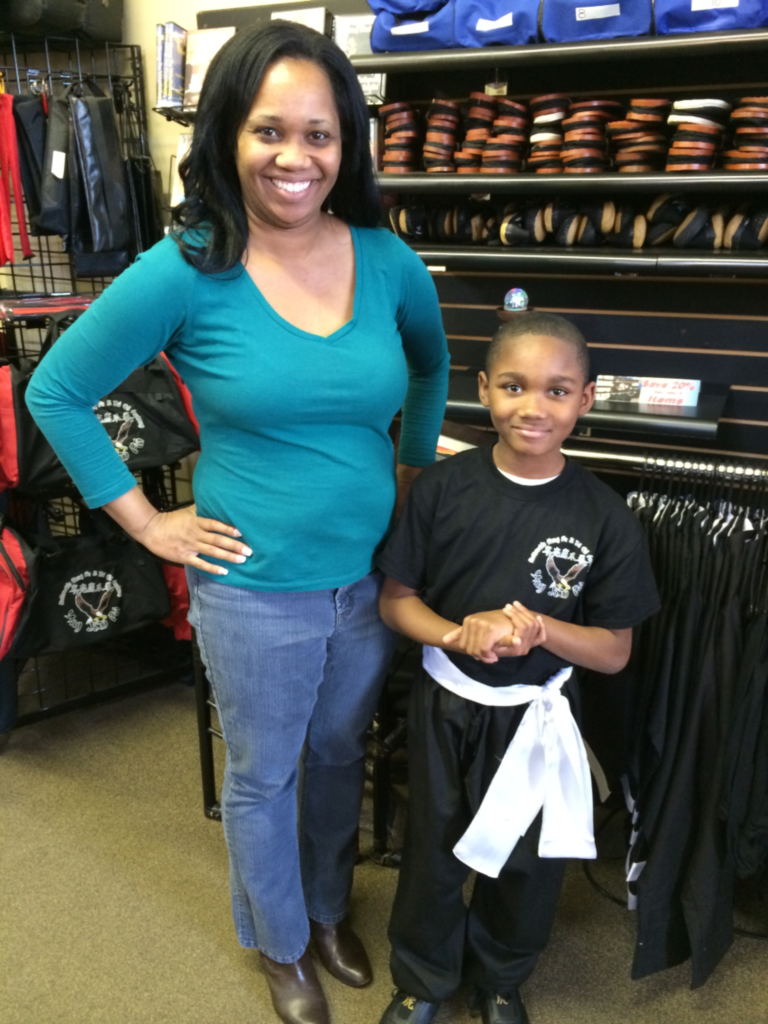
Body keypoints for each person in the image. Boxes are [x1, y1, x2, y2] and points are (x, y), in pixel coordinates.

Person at [25, 22, 449, 1024]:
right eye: (270, 130)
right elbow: (55, 391)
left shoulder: (386, 260)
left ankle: (329, 909)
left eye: (319, 134)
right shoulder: (187, 268)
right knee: (265, 775)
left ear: (346, 145)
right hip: (254, 587)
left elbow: (431, 366)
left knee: (340, 754)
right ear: (227, 135)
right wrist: (145, 523)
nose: (296, 157)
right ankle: (281, 942)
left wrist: (413, 478)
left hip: (369, 576)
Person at [375, 312, 660, 1024]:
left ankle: (501, 977)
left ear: (585, 399)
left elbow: (615, 650)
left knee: (529, 862)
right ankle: (424, 979)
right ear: (483, 389)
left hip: (539, 714)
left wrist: (539, 629)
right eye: (514, 386)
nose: (534, 407)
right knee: (433, 849)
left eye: (557, 391)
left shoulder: (604, 516)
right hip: (446, 704)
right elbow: (396, 602)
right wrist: (458, 635)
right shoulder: (442, 490)